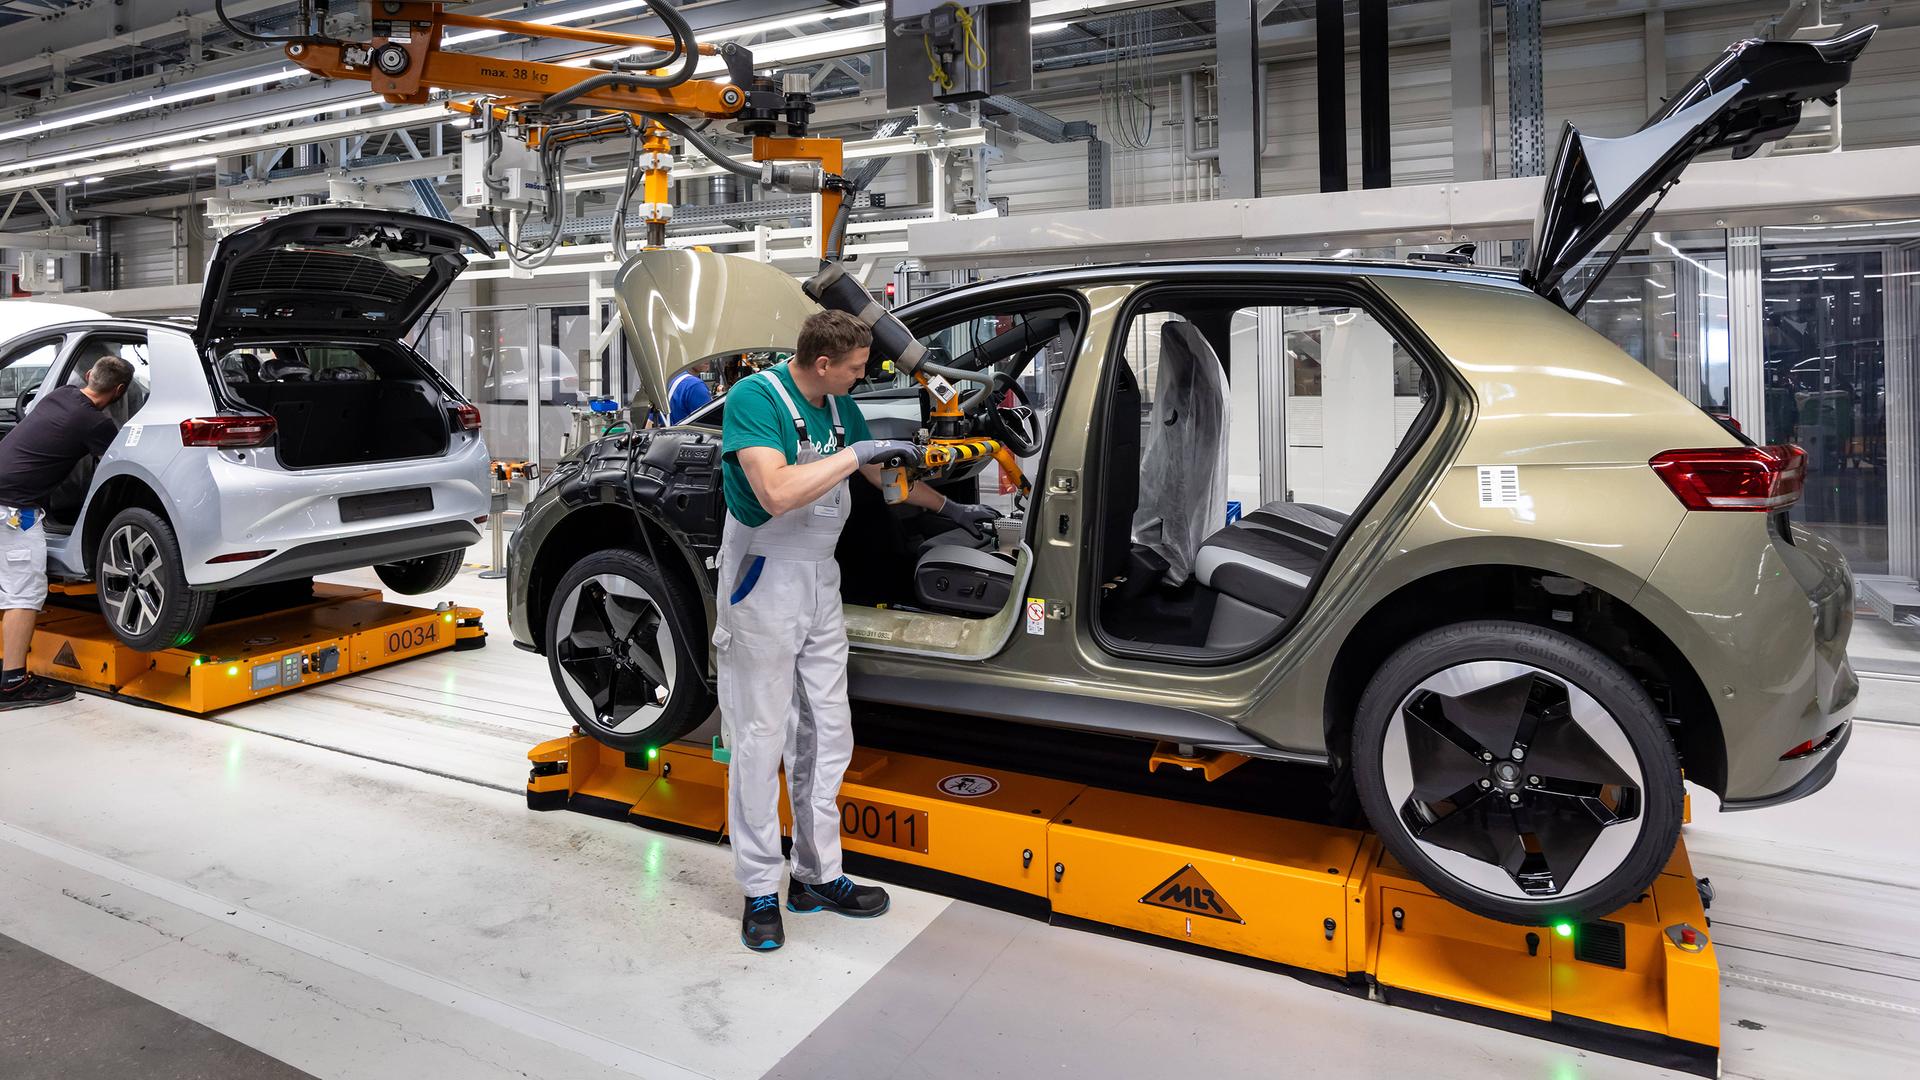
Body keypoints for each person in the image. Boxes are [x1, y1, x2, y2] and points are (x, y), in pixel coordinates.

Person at [717, 310, 1000, 951]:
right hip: (763, 577)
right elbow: (775, 492)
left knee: (827, 730)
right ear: (822, 364)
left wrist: (951, 506)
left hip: (821, 578)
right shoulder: (756, 399)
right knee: (761, 736)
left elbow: (883, 479)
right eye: (854, 368)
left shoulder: (842, 406)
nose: (863, 376)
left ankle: (817, 875)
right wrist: (855, 453)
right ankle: (759, 889)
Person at [0, 354, 134, 709]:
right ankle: (12, 685)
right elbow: (121, 465)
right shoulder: (96, 423)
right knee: (23, 595)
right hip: (12, 511)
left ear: (88, 375)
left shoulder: (59, 395)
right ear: (120, 390)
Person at [665, 360, 713, 425]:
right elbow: (709, 421)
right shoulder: (695, 385)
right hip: (686, 430)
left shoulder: (675, 378)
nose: (706, 358)